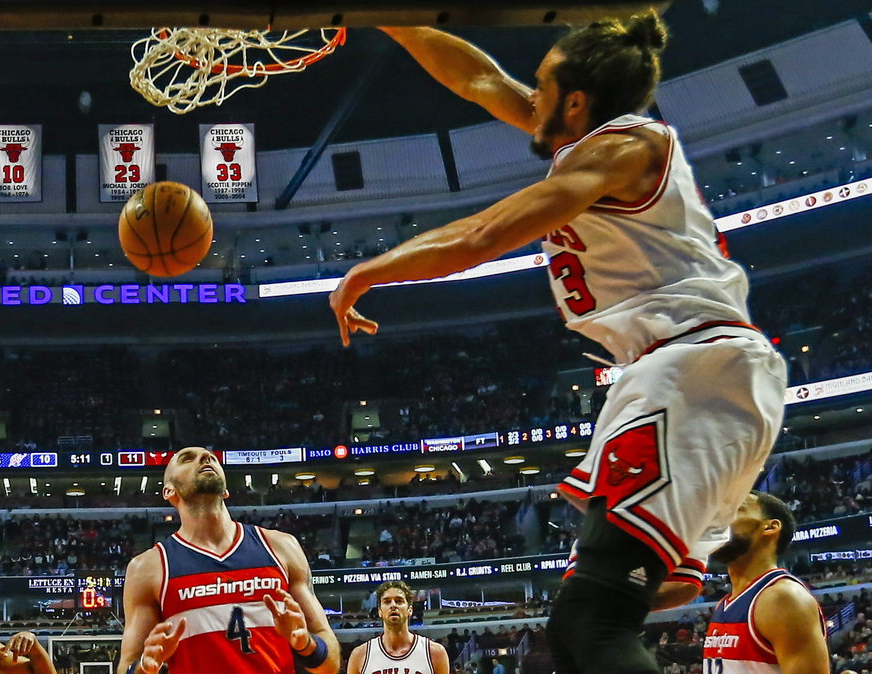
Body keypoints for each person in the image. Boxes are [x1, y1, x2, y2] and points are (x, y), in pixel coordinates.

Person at [329, 12, 786, 674]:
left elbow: (482, 236)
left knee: (592, 621)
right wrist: (395, 20)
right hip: (690, 374)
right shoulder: (592, 139)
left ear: (577, 101)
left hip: (691, 370)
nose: (529, 96)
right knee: (581, 625)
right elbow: (478, 78)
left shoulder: (621, 149)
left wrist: (366, 272)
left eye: (541, 86)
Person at [117, 447, 340, 674]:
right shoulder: (148, 567)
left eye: (210, 457)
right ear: (169, 491)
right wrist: (145, 667)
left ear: (226, 491)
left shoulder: (281, 547)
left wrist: (306, 645)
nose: (206, 457)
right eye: (187, 459)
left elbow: (330, 664)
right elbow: (128, 665)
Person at [702, 492, 829, 674]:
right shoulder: (726, 602)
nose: (719, 517)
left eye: (736, 509)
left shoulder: (783, 598)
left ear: (770, 527)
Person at [346, 581, 448, 674]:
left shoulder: (435, 652)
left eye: (399, 601)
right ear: (379, 611)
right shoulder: (359, 655)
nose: (393, 605)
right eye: (387, 601)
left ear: (410, 610)